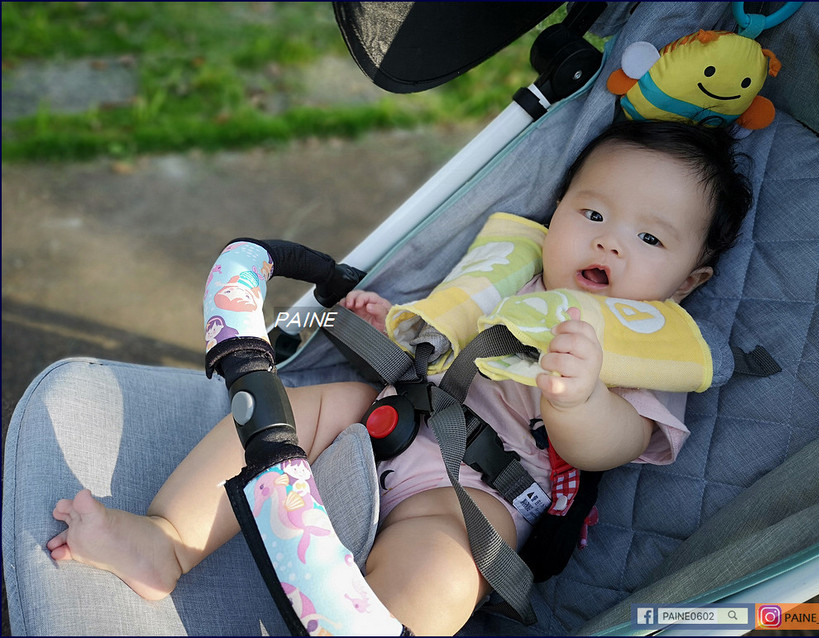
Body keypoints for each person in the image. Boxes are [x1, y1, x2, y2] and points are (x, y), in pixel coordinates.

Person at [47, 119, 752, 636]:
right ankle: (167, 540)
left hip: (482, 486)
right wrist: (392, 323)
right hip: (391, 409)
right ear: (558, 211)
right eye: (591, 212)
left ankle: (381, 624)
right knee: (293, 408)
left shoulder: (640, 346)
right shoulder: (513, 275)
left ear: (688, 282)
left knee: (448, 565)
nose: (608, 239)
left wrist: (580, 397)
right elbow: (433, 333)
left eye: (649, 238)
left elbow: (611, 446)